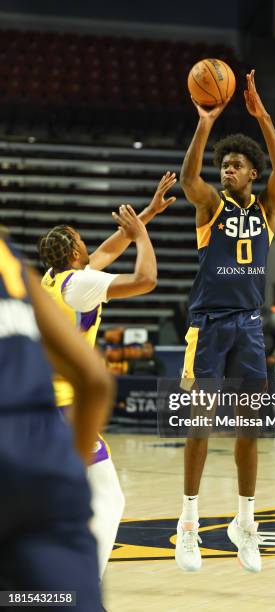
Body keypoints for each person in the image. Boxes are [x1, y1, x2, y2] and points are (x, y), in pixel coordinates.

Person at [177, 69, 275, 572]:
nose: (226, 170)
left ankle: (245, 522)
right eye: (223, 164)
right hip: (208, 325)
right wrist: (205, 124)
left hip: (248, 326)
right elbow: (187, 180)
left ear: (252, 173)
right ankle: (188, 524)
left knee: (251, 429)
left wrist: (262, 116)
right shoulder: (210, 209)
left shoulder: (266, 209)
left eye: (236, 164)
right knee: (198, 425)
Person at [38, 172, 176, 577]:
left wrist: (146, 216)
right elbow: (146, 280)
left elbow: (104, 254)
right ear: (75, 252)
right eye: (82, 241)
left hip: (43, 407)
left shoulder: (53, 279)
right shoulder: (79, 286)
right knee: (109, 499)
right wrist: (142, 238)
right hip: (66, 412)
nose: (88, 246)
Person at [0, 231, 114, 610]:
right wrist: (69, 469)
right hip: (43, 456)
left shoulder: (52, 277)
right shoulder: (12, 263)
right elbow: (96, 382)